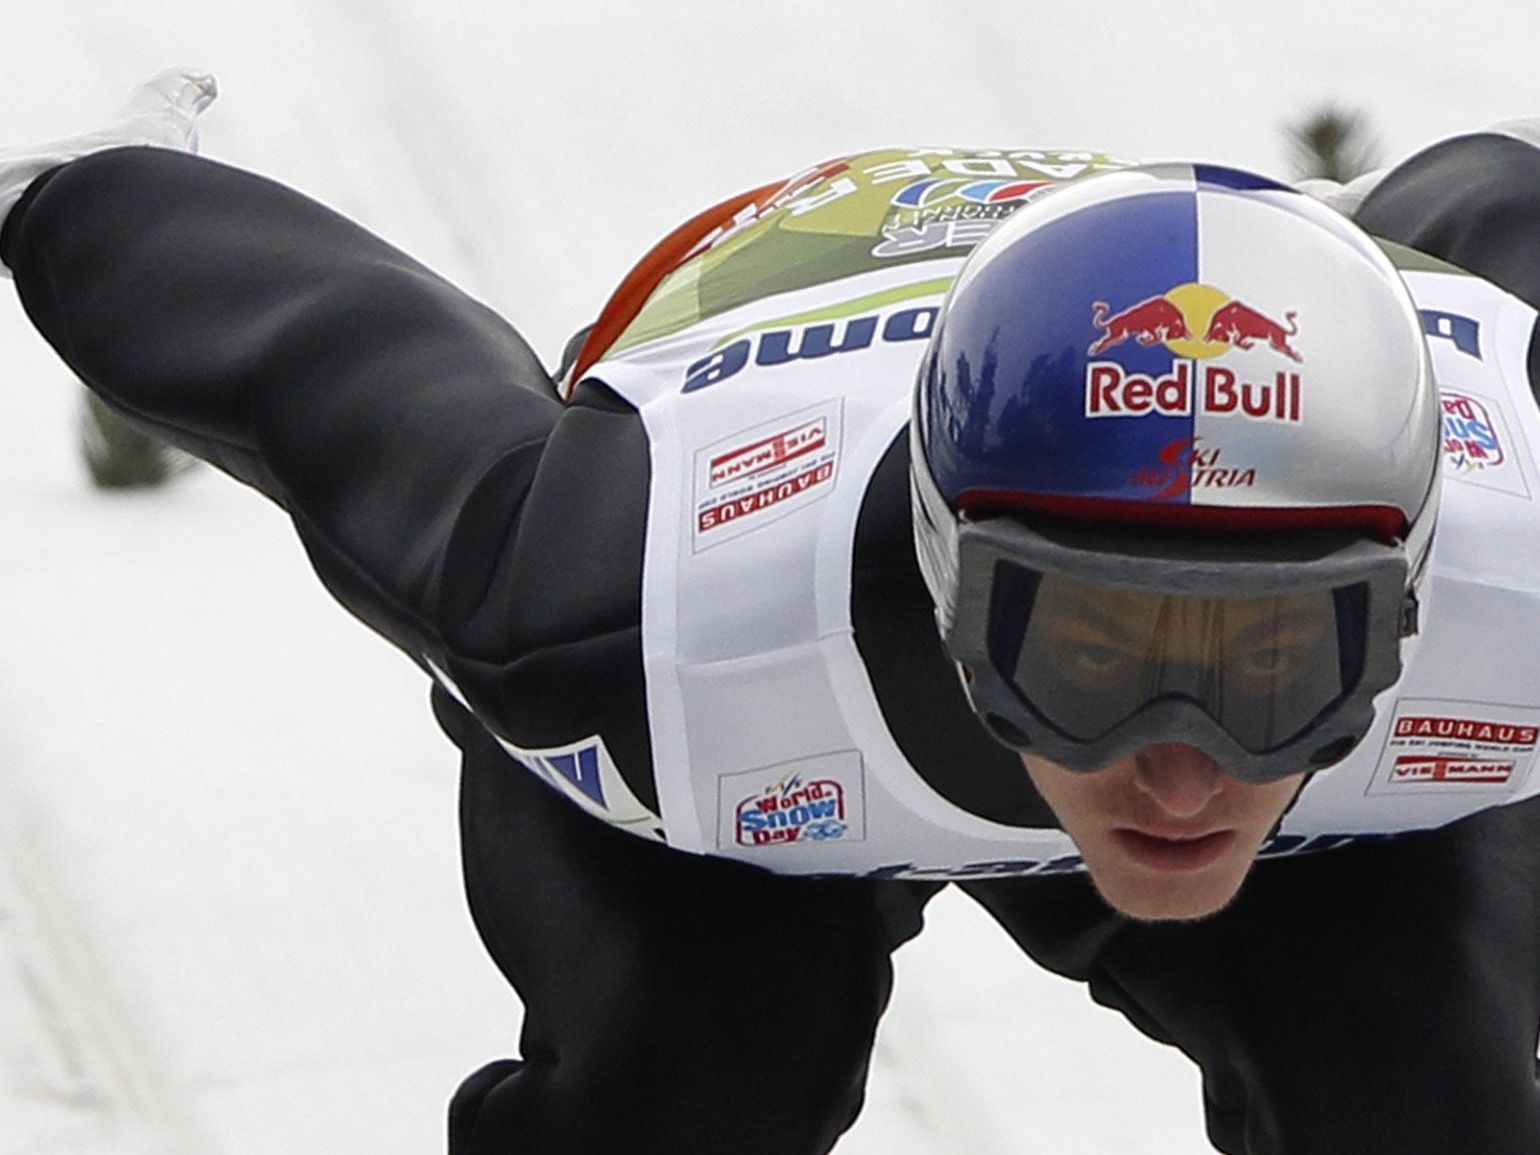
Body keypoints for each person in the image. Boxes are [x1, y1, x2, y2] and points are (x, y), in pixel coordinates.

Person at [5, 70, 1540, 1154]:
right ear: (947, 573)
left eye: (1276, 665)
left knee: (1433, 1094)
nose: (1184, 771)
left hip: (851, 635)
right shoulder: (627, 611)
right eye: (1087, 654)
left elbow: (1495, 224)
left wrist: (85, 203)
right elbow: (336, 359)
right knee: (691, 1086)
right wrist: (91, 191)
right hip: (759, 513)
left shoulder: (1512, 567)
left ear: (1410, 602)